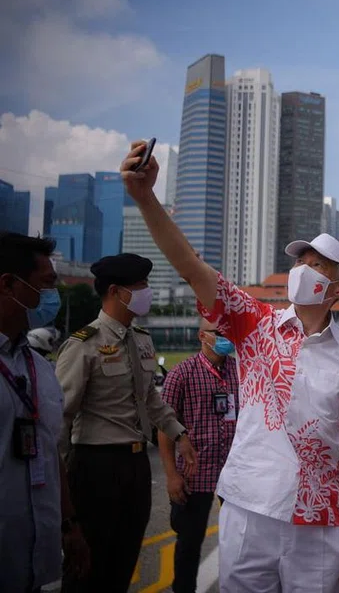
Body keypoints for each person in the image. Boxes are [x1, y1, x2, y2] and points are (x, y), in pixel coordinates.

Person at [122, 141, 339, 591]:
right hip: (250, 503)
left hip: (320, 515)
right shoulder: (255, 324)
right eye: (301, 261)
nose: (304, 269)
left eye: (318, 266)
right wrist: (146, 198)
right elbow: (192, 267)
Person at [57, 252, 196, 593]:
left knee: (123, 561)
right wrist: (60, 486)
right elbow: (62, 417)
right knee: (88, 567)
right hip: (95, 466)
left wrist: (179, 434)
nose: (147, 291)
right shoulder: (84, 345)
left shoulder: (141, 340)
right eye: (141, 286)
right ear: (117, 291)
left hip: (135, 466)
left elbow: (150, 400)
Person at [0, 232, 89, 593]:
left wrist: (69, 524)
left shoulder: (39, 368)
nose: (52, 296)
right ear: (8, 284)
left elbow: (51, 450)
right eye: (47, 284)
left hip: (41, 553)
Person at [159, 318, 240, 593]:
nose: (225, 337)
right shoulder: (182, 373)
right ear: (201, 336)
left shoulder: (238, 372)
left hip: (234, 471)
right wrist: (171, 475)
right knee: (189, 543)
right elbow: (164, 427)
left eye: (228, 331)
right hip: (197, 472)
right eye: (219, 332)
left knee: (240, 540)